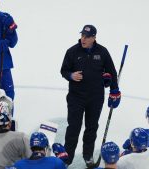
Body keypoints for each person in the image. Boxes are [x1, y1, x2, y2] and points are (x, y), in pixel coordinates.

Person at [60, 24, 121, 167]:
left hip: (95, 97)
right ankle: (68, 157)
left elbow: (111, 72)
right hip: (76, 97)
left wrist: (114, 89)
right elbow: (63, 70)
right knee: (73, 127)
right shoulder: (72, 52)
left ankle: (88, 155)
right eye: (82, 35)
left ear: (94, 38)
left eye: (87, 37)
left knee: (91, 127)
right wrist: (70, 75)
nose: (83, 39)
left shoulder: (103, 52)